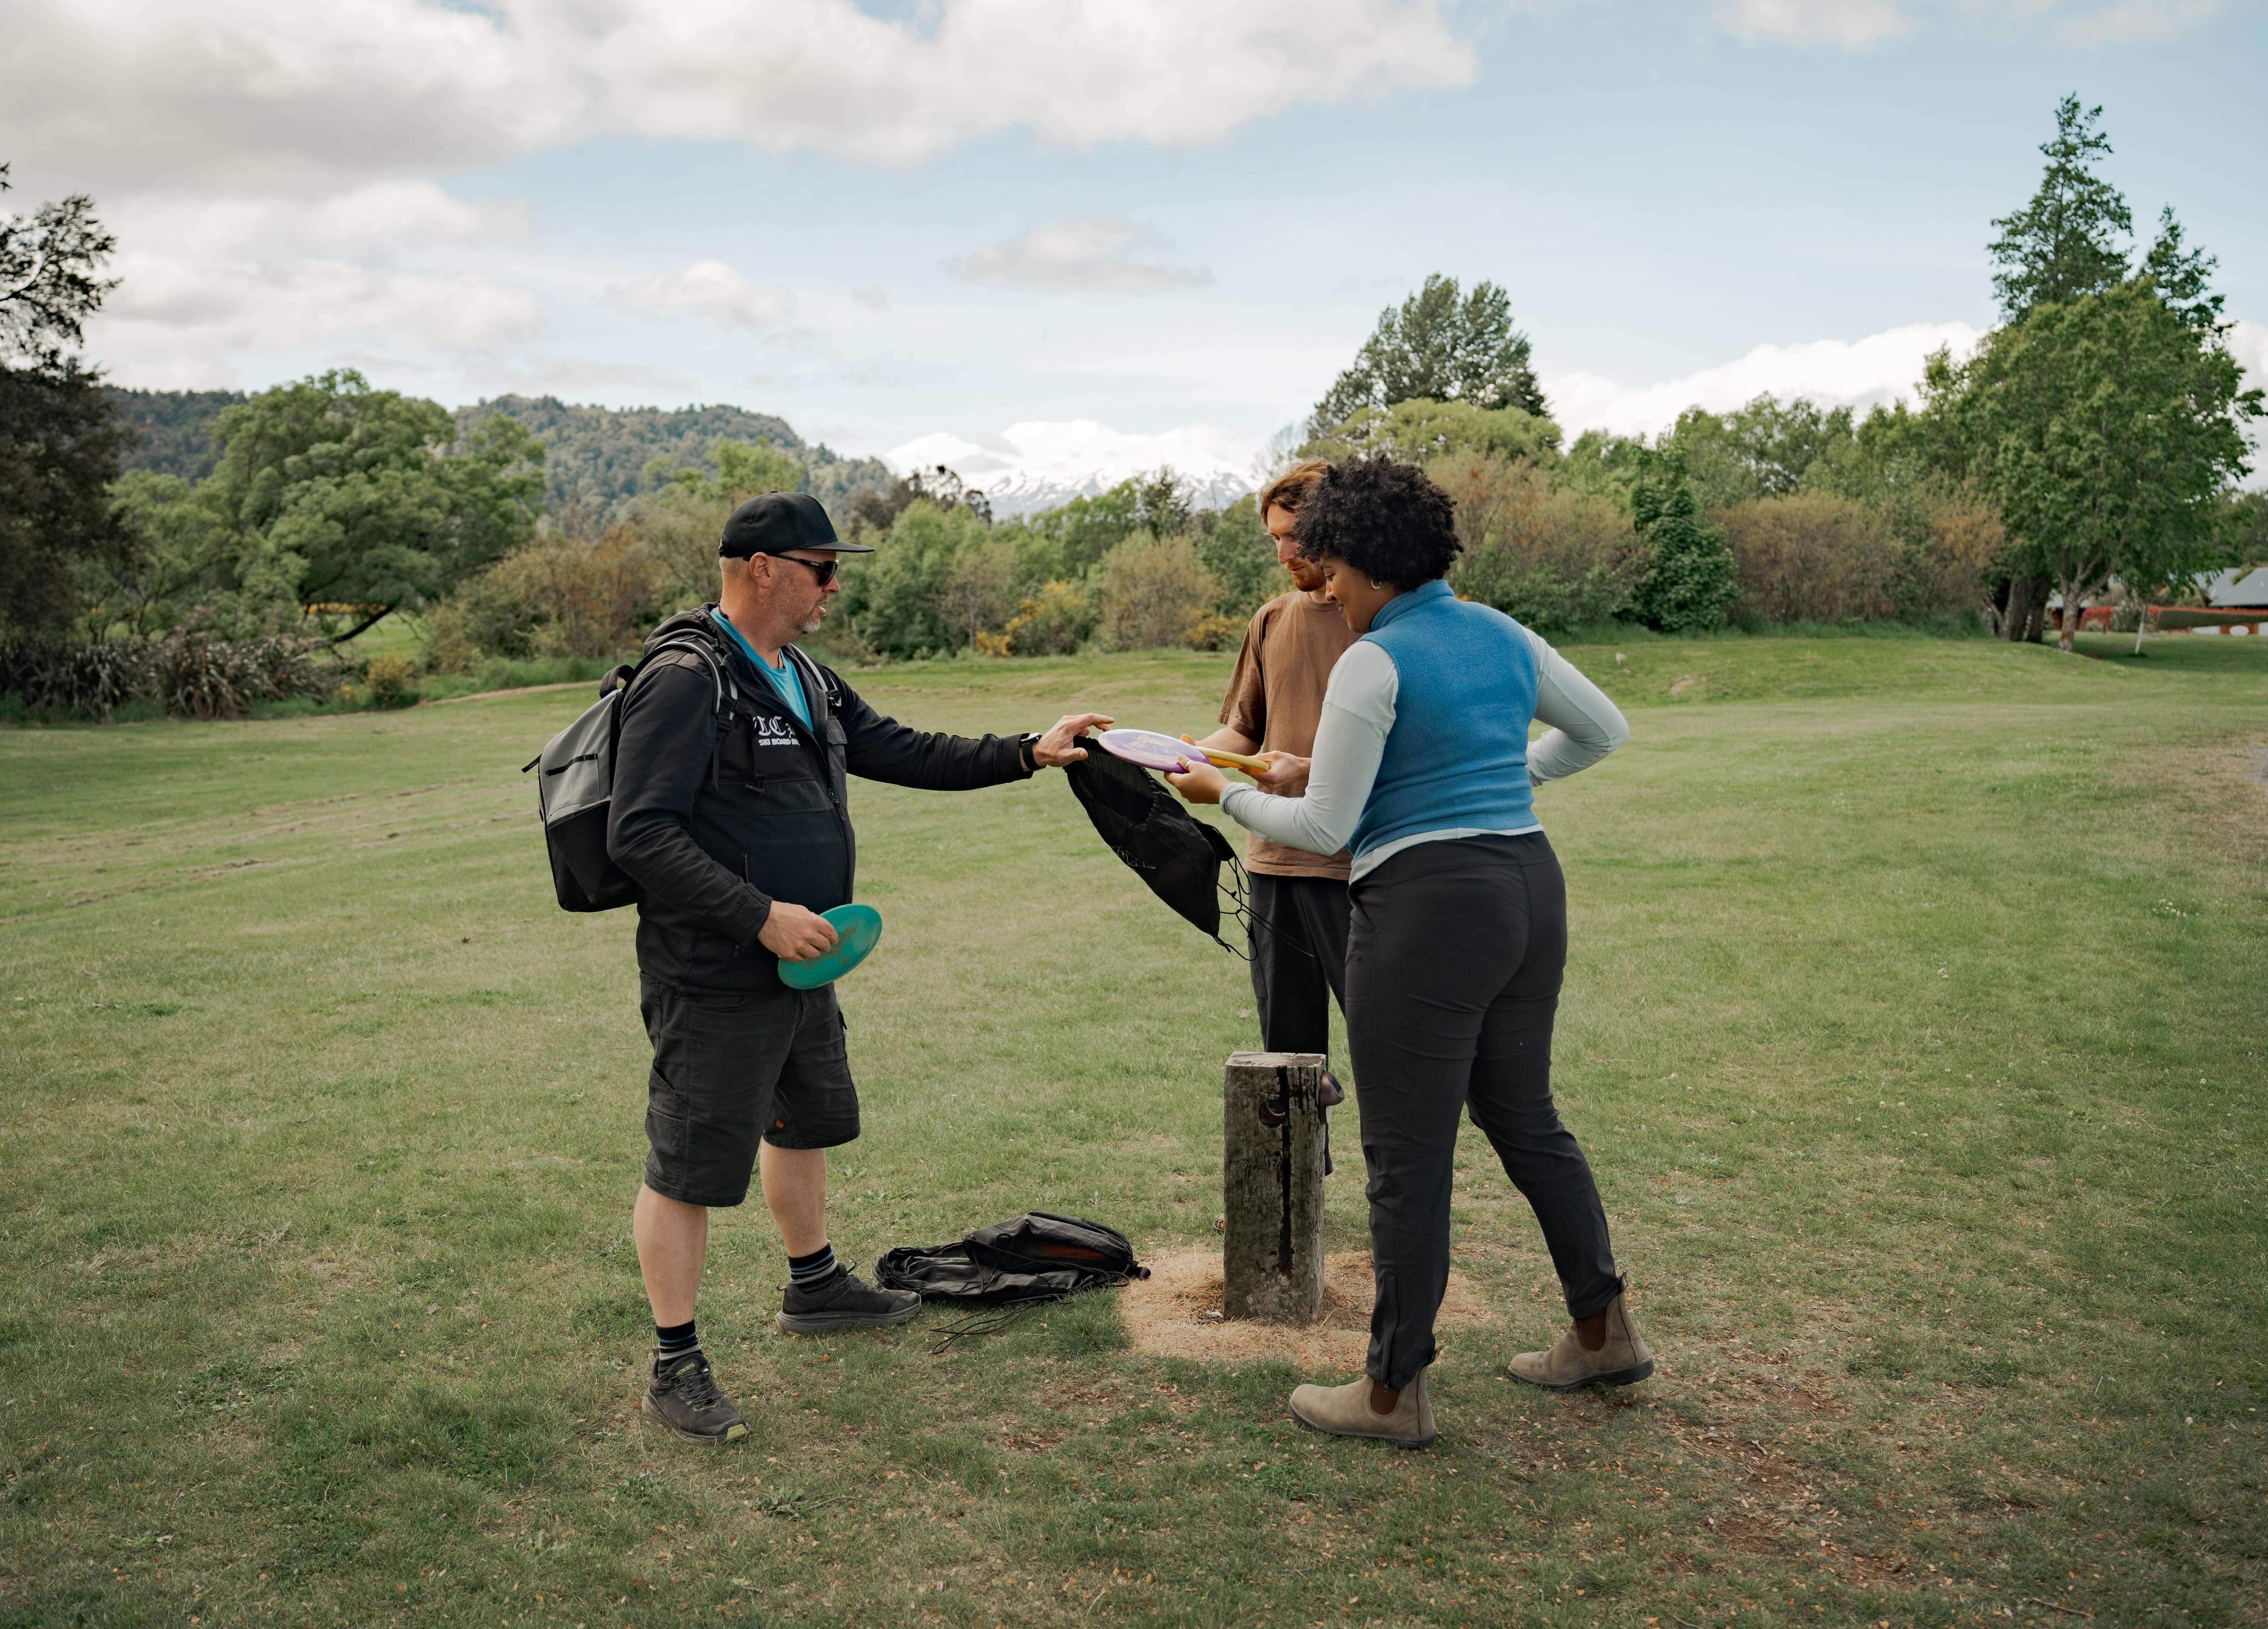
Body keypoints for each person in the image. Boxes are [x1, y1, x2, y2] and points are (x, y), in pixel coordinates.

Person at [605, 490, 1109, 1446]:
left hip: (807, 964)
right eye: (823, 568)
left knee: (803, 1124)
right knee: (690, 1167)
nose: (835, 586)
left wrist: (1027, 754)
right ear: (764, 568)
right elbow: (640, 834)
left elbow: (897, 749)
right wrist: (757, 916)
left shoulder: (807, 676)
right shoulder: (684, 676)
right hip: (715, 971)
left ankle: (816, 1286)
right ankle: (675, 1364)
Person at [1167, 455, 1644, 1449]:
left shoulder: (1373, 659)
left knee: (1407, 1163)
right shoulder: (1502, 633)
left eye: (1330, 566)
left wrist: (1225, 796)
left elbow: (1325, 820)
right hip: (1526, 888)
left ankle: (1391, 1392)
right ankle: (1602, 1331)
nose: (1323, 585)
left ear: (1372, 566)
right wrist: (1489, 777)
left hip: (1426, 914)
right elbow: (1602, 730)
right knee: (1527, 1119)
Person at [1193, 460, 1356, 1085]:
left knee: (1382, 1038)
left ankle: (1398, 1179)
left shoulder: (1375, 619)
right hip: (1272, 862)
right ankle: (1299, 1178)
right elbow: (1243, 731)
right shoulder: (1271, 619)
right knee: (1288, 1057)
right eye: (1274, 539)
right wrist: (1181, 756)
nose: (1284, 552)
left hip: (1355, 862)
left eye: (1297, 535)